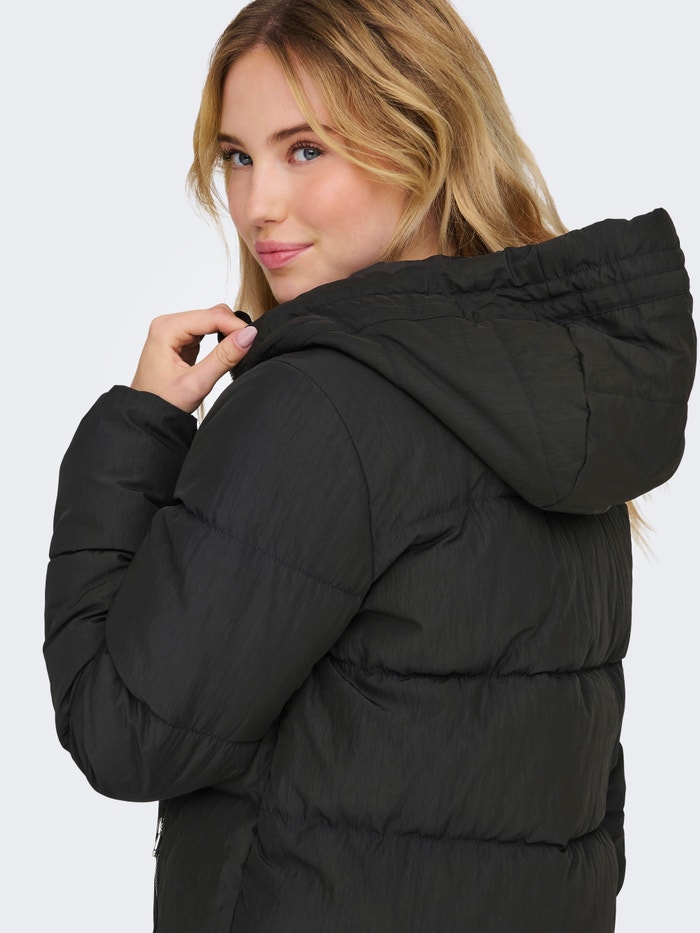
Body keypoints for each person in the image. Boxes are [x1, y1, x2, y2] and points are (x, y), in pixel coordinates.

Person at [43, 1, 695, 931]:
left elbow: (127, 730)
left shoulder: (321, 405)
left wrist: (137, 427)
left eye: (306, 149)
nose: (259, 204)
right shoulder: (551, 386)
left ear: (424, 142)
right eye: (237, 157)